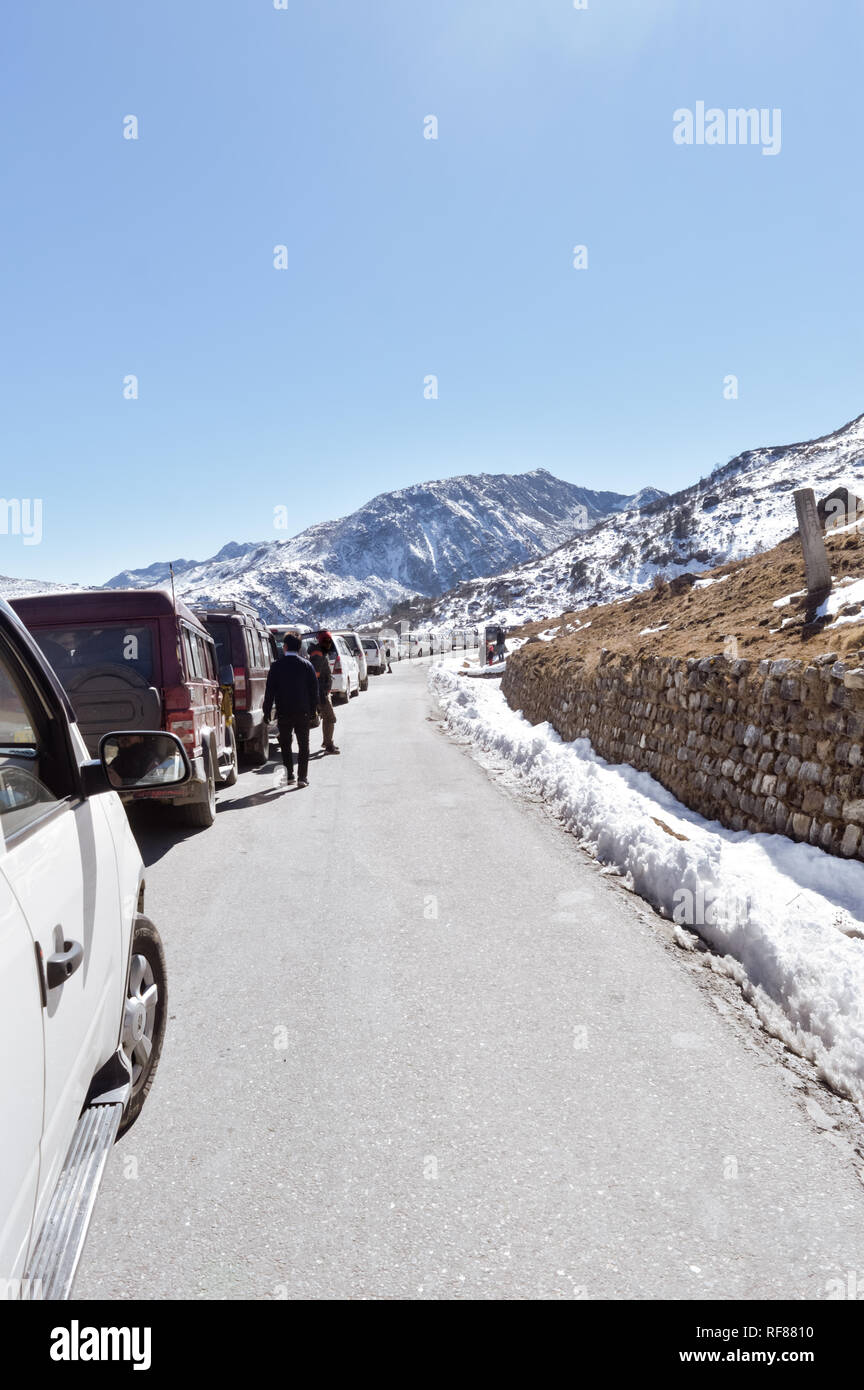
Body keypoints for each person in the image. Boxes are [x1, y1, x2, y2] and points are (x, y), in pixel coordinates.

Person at [262, 633, 319, 787]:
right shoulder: (307, 665)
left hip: (284, 711)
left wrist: (266, 711)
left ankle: (290, 776)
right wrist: (314, 711)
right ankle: (302, 778)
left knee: (285, 744)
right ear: (299, 648)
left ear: (284, 647)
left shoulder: (276, 666)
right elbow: (314, 690)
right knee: (303, 745)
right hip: (303, 711)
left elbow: (270, 691)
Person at [306, 629, 339, 754]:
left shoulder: (321, 652)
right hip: (321, 693)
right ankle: (329, 745)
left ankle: (327, 742)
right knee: (331, 718)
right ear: (321, 641)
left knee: (327, 717)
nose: (329, 643)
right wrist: (320, 694)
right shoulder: (318, 654)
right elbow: (315, 675)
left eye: (330, 640)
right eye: (326, 640)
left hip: (323, 691)